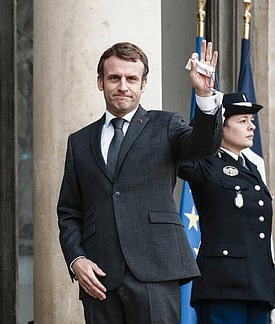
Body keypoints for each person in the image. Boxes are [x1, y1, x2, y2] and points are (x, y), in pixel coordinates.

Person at [57, 40, 223, 323]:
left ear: (143, 84)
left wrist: (204, 98)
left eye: (131, 78)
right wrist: (77, 260)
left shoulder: (167, 125)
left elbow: (202, 146)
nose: (123, 86)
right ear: (100, 82)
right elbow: (70, 212)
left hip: (155, 270)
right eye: (114, 78)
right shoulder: (79, 142)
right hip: (100, 276)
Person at [178, 92, 275, 324]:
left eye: (251, 121)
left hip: (258, 286)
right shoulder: (205, 162)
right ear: (221, 126)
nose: (251, 127)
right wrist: (206, 107)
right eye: (242, 121)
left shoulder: (252, 167)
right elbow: (182, 159)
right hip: (223, 284)